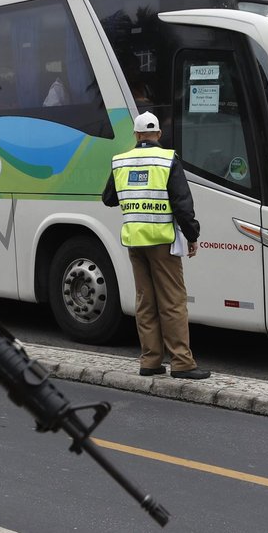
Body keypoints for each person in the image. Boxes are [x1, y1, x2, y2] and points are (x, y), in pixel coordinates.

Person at [102, 112, 210, 380]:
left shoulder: (121, 161)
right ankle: (182, 363)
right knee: (172, 301)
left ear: (137, 135)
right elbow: (182, 203)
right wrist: (192, 235)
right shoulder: (167, 159)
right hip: (162, 241)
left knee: (145, 301)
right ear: (159, 134)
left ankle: (150, 361)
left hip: (134, 241)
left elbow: (108, 199)